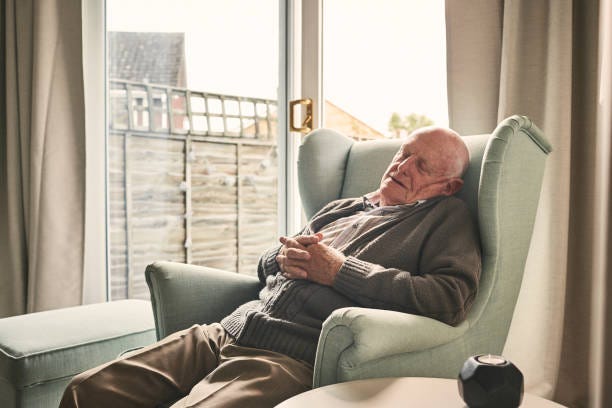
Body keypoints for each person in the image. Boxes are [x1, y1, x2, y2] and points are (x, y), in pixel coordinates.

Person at [59, 126, 481, 408]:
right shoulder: (343, 208)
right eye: (404, 154)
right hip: (225, 332)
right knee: (85, 392)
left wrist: (339, 271)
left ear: (448, 186)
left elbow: (448, 299)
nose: (402, 166)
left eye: (421, 165)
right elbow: (267, 265)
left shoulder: (445, 218)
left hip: (286, 358)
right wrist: (279, 257)